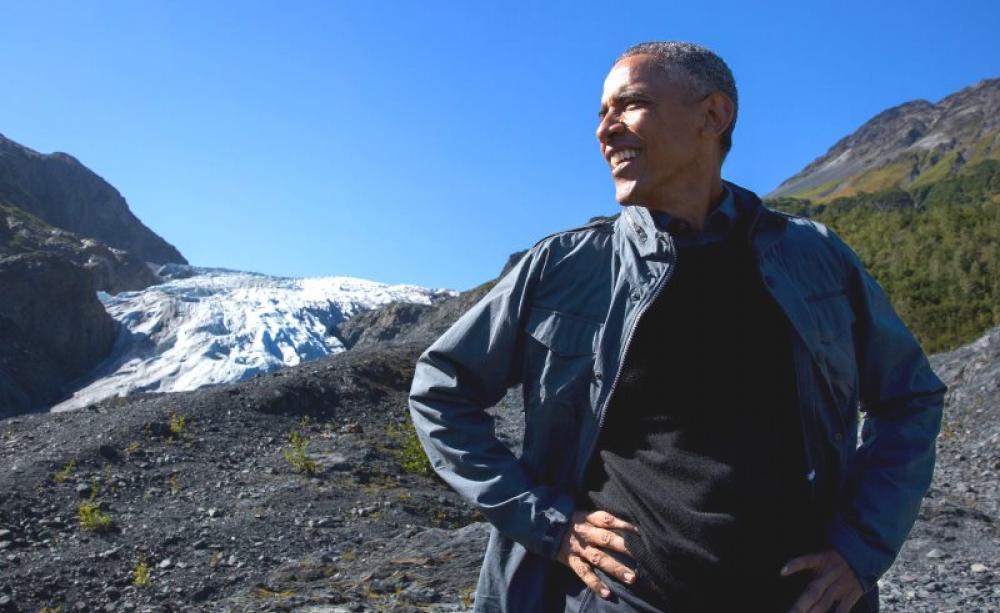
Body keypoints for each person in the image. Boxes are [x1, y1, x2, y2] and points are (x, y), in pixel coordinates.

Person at [408, 41, 945, 613]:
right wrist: (550, 523)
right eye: (601, 114)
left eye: (629, 104)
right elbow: (440, 389)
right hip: (618, 601)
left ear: (713, 116)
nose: (605, 130)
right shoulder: (567, 267)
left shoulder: (814, 258)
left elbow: (910, 396)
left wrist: (861, 548)